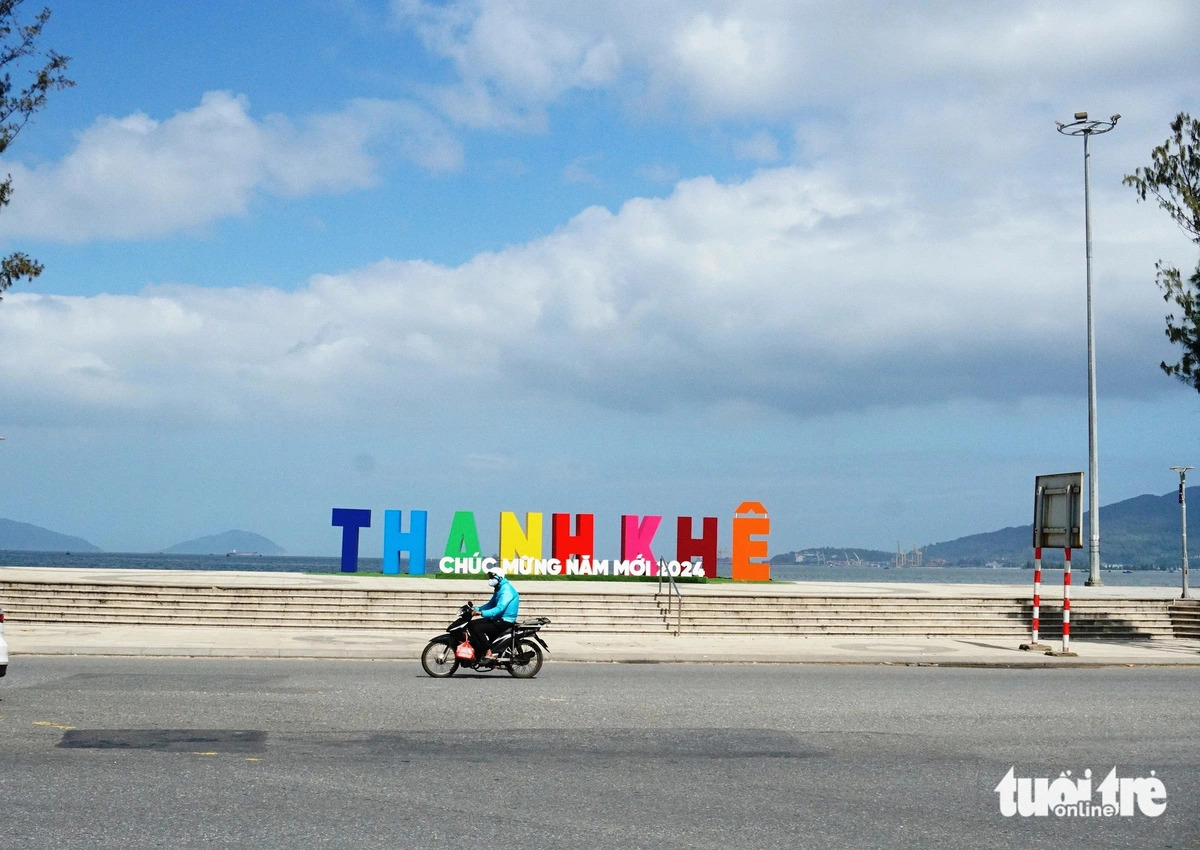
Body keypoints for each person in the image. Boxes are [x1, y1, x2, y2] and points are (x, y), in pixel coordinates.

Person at [468, 566, 519, 662]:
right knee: (471, 624)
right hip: (498, 618)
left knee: (477, 628)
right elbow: (491, 604)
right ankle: (481, 650)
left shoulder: (506, 590)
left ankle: (488, 652)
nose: (490, 579)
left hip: (505, 620)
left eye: (492, 577)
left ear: (499, 577)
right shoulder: (499, 588)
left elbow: (500, 608)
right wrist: (475, 609)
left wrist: (481, 613)